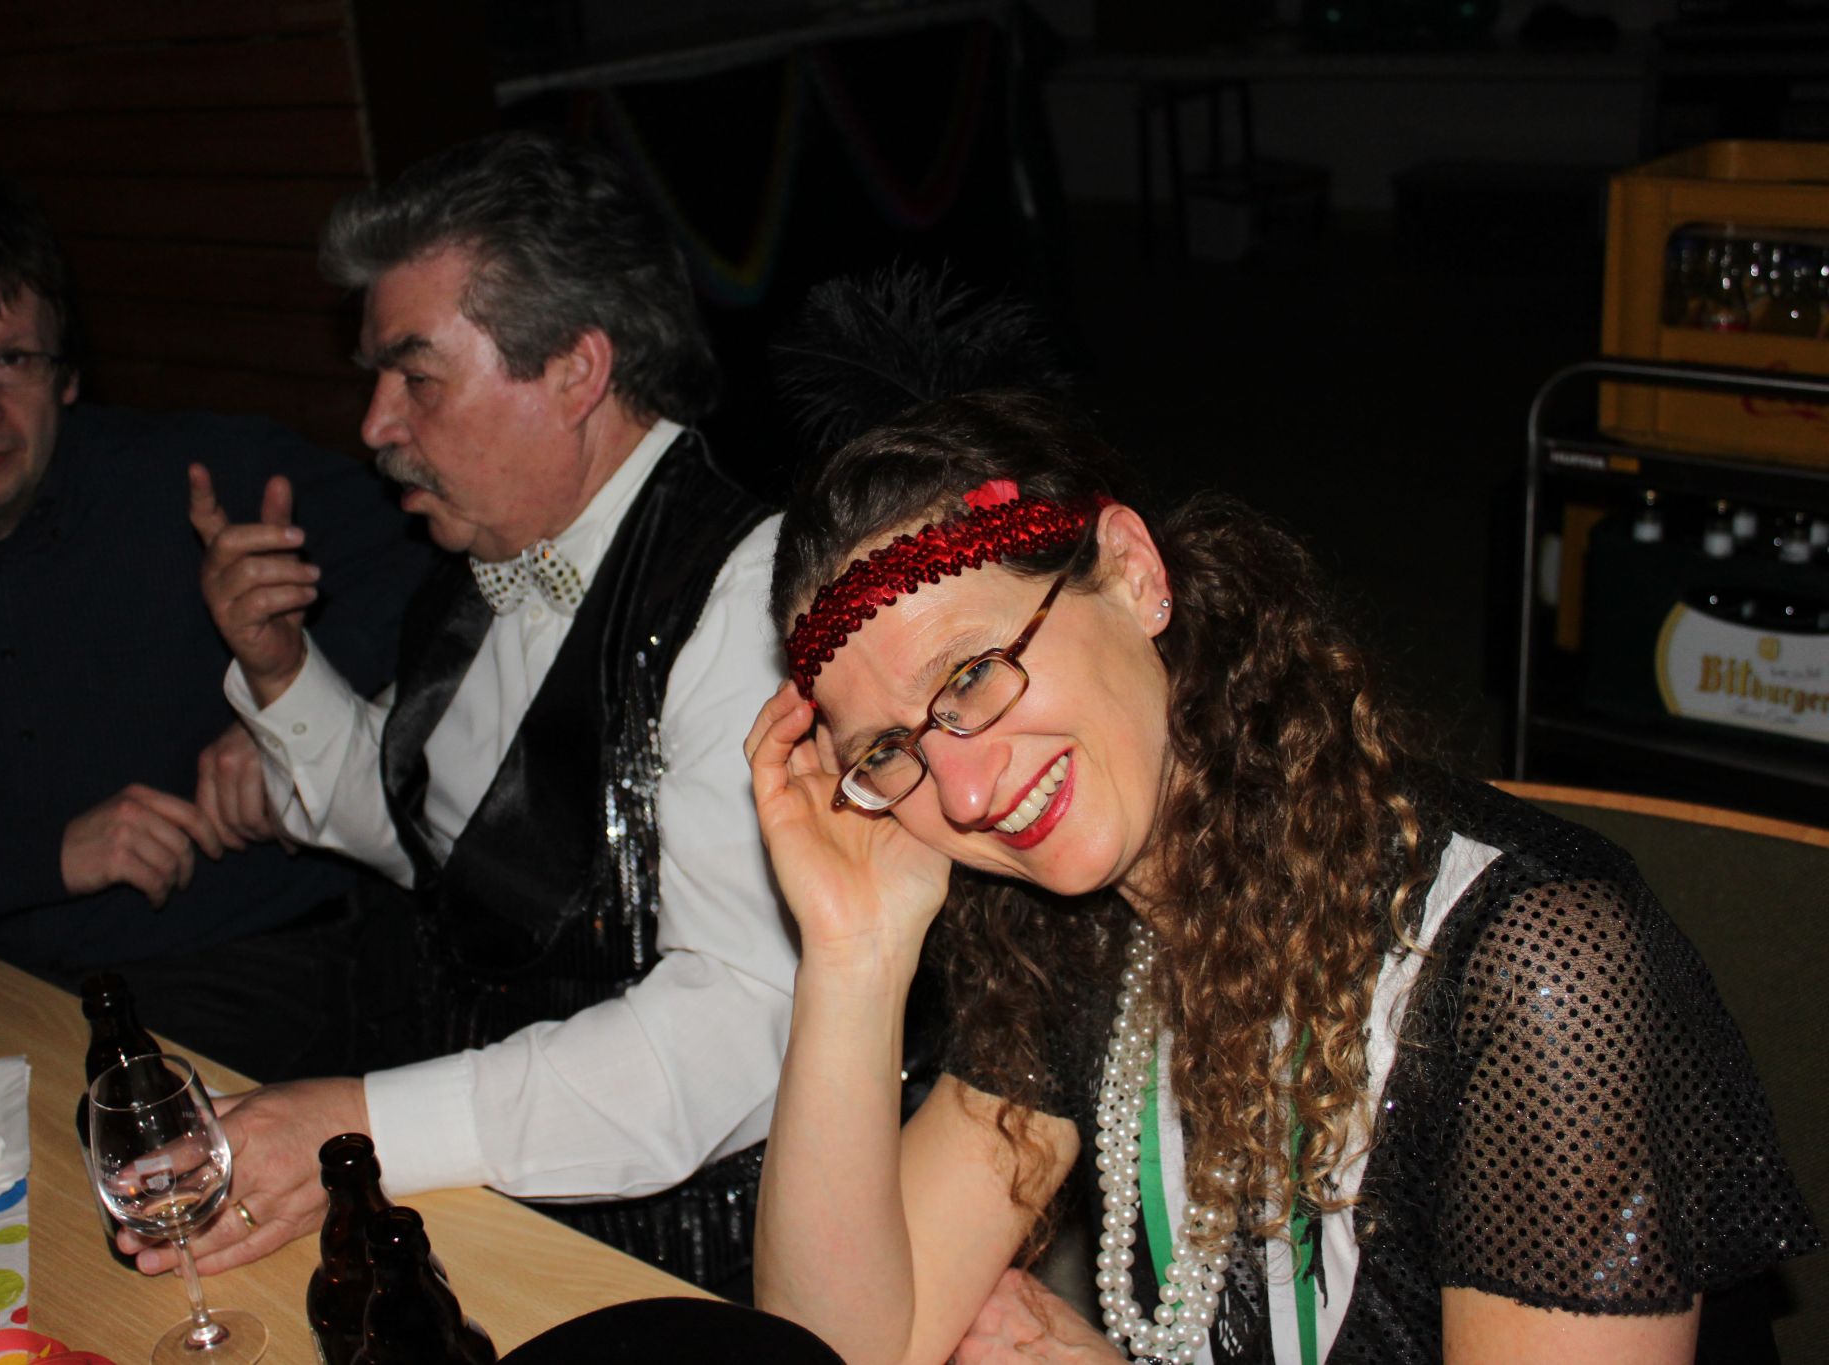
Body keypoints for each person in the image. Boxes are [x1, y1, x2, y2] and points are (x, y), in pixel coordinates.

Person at [745, 390, 1818, 1363]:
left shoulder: (1537, 973)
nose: (967, 790)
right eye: (890, 751)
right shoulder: (1069, 932)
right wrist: (853, 951)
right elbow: (838, 1349)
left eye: (975, 674)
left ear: (1133, 573)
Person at [145, 131, 793, 1292]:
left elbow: (737, 1033)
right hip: (465, 1166)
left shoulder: (750, 603)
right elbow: (438, 842)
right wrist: (281, 668)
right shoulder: (485, 560)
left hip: (678, 1247)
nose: (374, 424)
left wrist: (361, 1124)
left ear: (576, 372)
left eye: (415, 376)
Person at [0, 173, 429, 1083]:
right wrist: (46, 856)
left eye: (12, 359)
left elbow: (441, 560)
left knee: (107, 1140)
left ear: (67, 375)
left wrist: (289, 713)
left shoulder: (197, 472)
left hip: (254, 958)